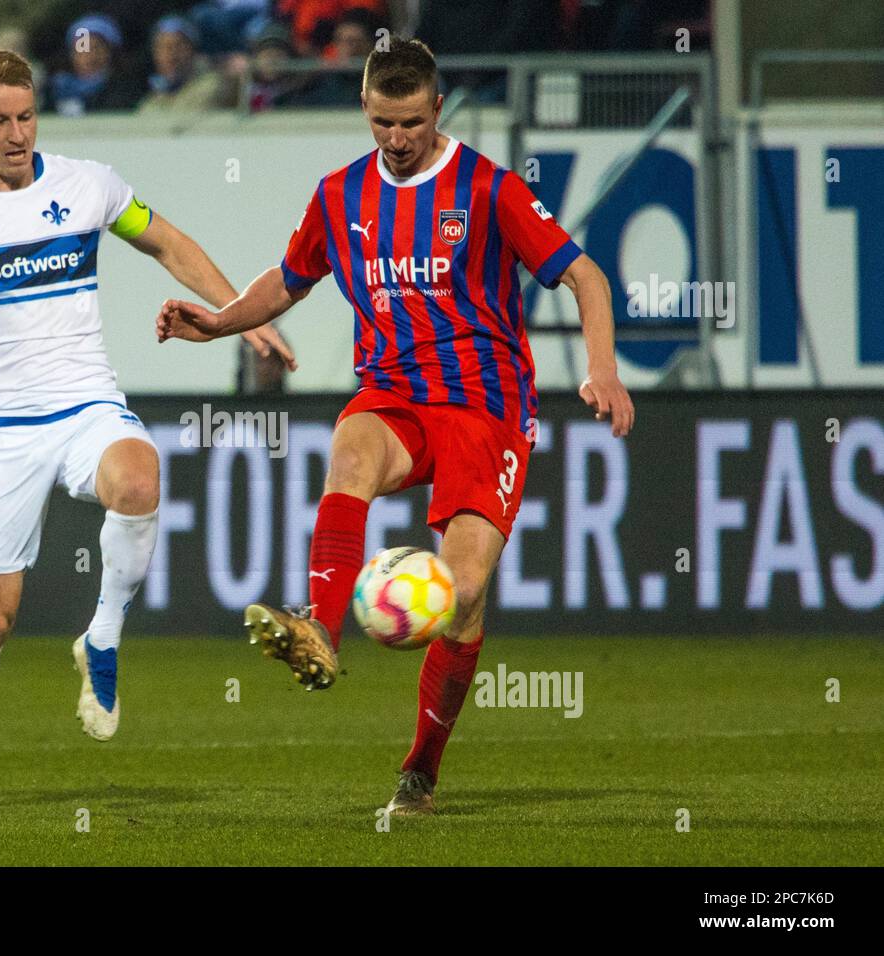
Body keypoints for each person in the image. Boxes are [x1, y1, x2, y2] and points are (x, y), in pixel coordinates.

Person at [156, 38, 634, 815]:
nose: (398, 138)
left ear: (437, 109)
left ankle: (421, 768)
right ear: (365, 110)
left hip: (486, 409)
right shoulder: (340, 195)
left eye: (411, 122)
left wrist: (602, 368)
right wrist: (216, 323)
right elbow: (288, 278)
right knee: (348, 455)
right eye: (383, 122)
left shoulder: (489, 189)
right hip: (395, 395)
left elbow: (585, 275)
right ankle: (321, 631)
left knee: (465, 592)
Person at [0, 45, 294, 811]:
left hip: (85, 403)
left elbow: (167, 242)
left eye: (26, 117)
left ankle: (103, 634)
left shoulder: (88, 187)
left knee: (140, 478)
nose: (17, 135)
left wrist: (237, 317)